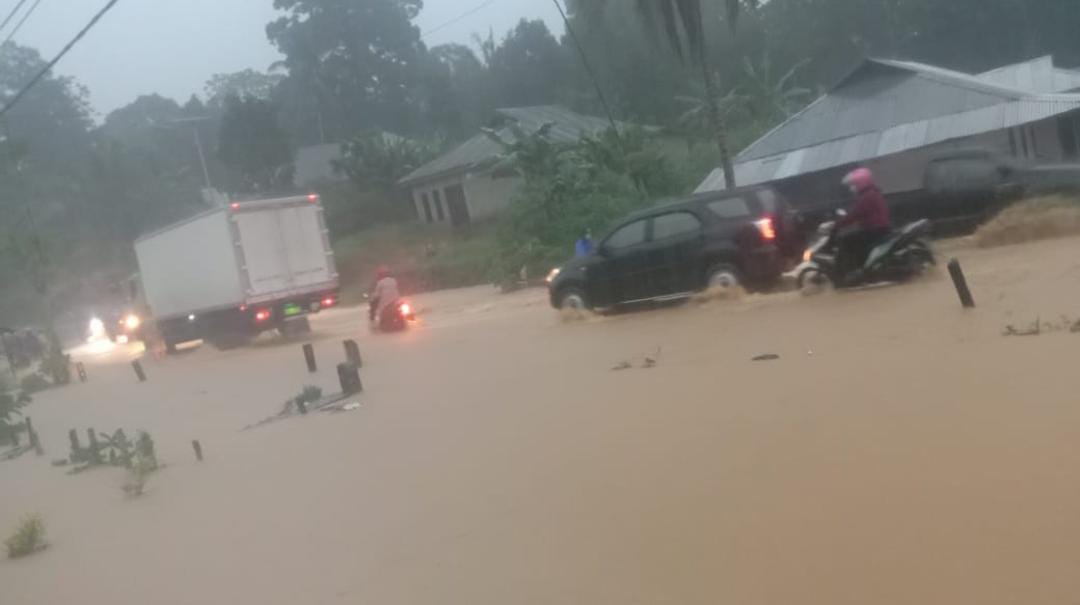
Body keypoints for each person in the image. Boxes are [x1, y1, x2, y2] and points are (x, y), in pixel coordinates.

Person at [837, 167, 892, 283]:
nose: (852, 188)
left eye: (853, 185)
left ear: (861, 183)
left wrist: (838, 224)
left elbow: (854, 214)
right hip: (881, 229)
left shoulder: (867, 196)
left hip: (875, 230)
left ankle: (859, 272)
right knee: (853, 238)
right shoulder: (872, 193)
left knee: (846, 240)